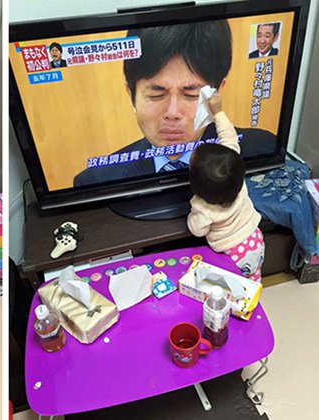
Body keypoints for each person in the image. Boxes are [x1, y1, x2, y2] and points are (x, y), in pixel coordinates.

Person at [73, 21, 277, 187]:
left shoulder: (263, 150)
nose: (172, 113)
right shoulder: (96, 180)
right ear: (131, 94)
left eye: (191, 94)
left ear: (217, 92)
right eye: (156, 94)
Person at [188, 93, 264, 281]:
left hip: (230, 256)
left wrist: (192, 214)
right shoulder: (236, 178)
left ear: (197, 187)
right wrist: (218, 112)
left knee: (231, 288)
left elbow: (197, 230)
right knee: (252, 280)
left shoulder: (204, 208)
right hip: (255, 240)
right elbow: (229, 137)